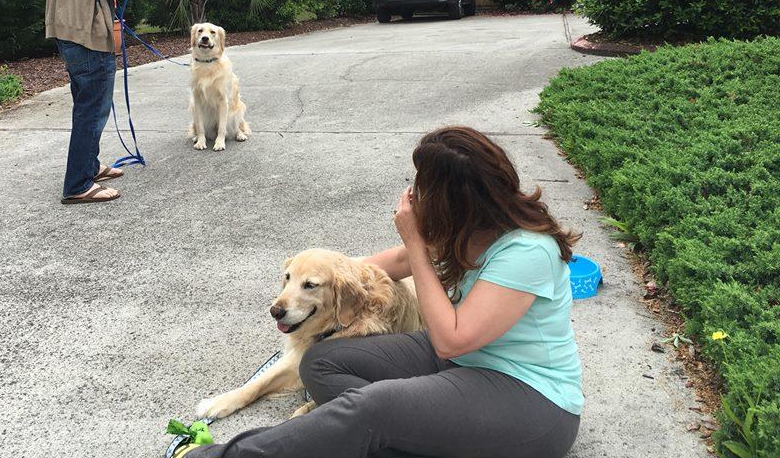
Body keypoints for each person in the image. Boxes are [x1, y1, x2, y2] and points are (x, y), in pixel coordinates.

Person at [171, 126, 583, 457]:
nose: (414, 192)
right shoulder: (469, 227)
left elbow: (451, 339)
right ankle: (391, 427)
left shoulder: (528, 251)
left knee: (376, 405)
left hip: (529, 401)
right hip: (462, 366)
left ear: (454, 198)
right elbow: (391, 264)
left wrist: (418, 244)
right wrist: (331, 275)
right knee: (320, 361)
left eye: (423, 184)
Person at [38, 0, 136, 205]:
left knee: (86, 101)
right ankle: (78, 184)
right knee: (93, 108)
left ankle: (89, 165)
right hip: (91, 31)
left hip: (62, 27)